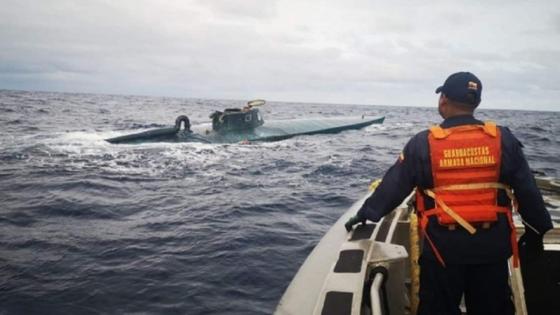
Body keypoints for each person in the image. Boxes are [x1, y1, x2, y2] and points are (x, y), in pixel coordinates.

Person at [345, 71, 553, 315]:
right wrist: (537, 232)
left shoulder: (423, 143)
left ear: (443, 99)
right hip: (492, 250)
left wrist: (366, 213)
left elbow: (393, 187)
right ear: (477, 103)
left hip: (442, 249)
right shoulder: (503, 140)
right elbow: (528, 192)